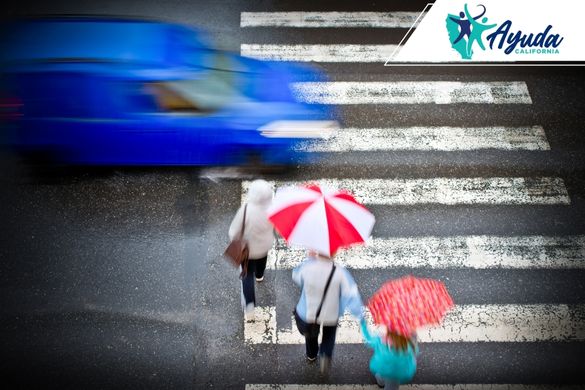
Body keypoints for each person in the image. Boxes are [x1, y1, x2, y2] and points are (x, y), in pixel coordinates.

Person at [292, 250, 363, 375]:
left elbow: (296, 276)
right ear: (335, 253)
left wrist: (310, 260)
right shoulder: (340, 272)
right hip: (331, 312)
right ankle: (325, 355)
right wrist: (358, 313)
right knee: (329, 336)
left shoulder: (308, 267)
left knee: (311, 335)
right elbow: (351, 294)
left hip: (310, 313)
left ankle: (311, 355)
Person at [228, 179, 274, 321]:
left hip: (248, 249)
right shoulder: (272, 209)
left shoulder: (246, 210)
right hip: (264, 246)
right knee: (262, 261)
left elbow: (234, 231)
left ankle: (249, 307)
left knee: (247, 276)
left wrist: (233, 238)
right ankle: (260, 275)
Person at [360, 320, 419, 390]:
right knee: (392, 387)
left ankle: (380, 382)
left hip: (383, 368)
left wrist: (363, 324)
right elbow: (414, 352)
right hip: (397, 372)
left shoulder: (381, 340)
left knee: (381, 376)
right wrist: (413, 333)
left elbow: (369, 339)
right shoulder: (408, 345)